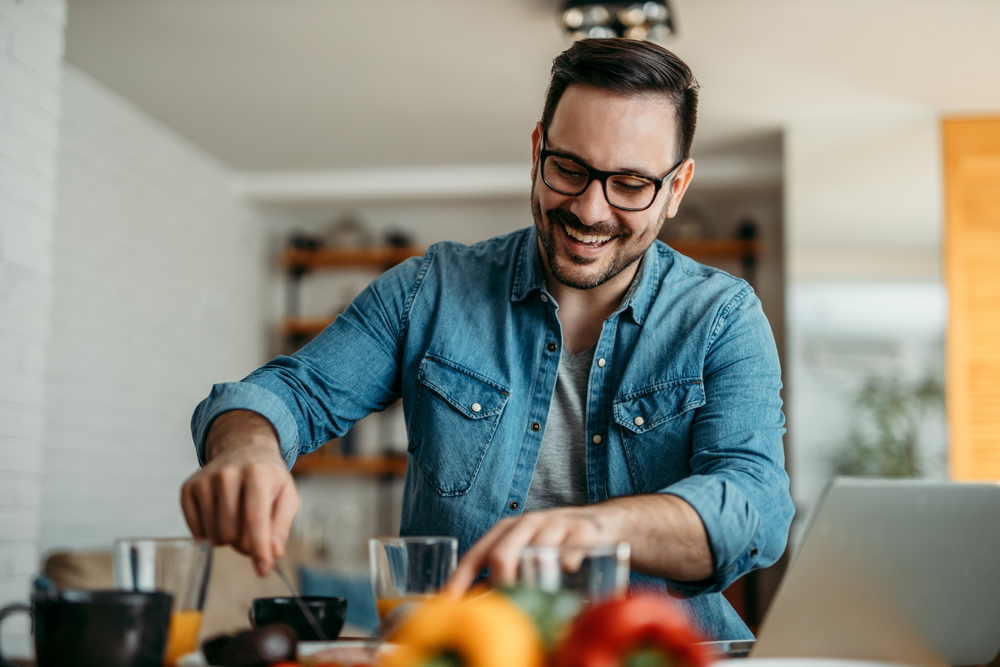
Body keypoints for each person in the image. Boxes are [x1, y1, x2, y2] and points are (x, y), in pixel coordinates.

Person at [180, 38, 793, 640]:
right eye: (569, 169)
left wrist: (602, 530)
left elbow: (755, 507)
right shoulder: (430, 290)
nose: (590, 209)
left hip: (654, 655)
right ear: (537, 151)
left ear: (676, 188)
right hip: (460, 652)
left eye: (630, 184)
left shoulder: (722, 316)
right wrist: (246, 449)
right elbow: (288, 393)